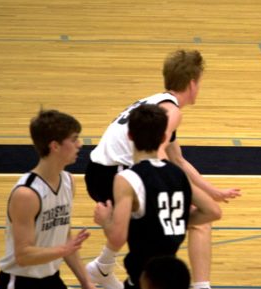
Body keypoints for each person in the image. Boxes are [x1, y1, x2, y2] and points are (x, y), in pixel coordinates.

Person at [84, 49, 240, 289]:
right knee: (194, 219)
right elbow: (156, 152)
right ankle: (201, 286)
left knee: (170, 220)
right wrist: (170, 186)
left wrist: (212, 190)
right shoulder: (172, 111)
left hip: (100, 171)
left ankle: (104, 267)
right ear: (192, 83)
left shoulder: (157, 102)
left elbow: (177, 160)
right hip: (116, 173)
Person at [93, 104, 220, 289]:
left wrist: (105, 220)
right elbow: (213, 211)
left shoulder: (128, 178)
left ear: (129, 136)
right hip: (172, 275)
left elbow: (117, 237)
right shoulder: (177, 174)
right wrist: (177, 221)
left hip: (144, 277)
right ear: (163, 138)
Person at [0, 110, 95, 289]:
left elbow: (65, 237)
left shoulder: (68, 181)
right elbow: (24, 255)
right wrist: (63, 249)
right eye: (73, 139)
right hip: (20, 281)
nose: (79, 144)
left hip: (51, 278)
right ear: (55, 146)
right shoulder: (27, 194)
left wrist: (86, 281)